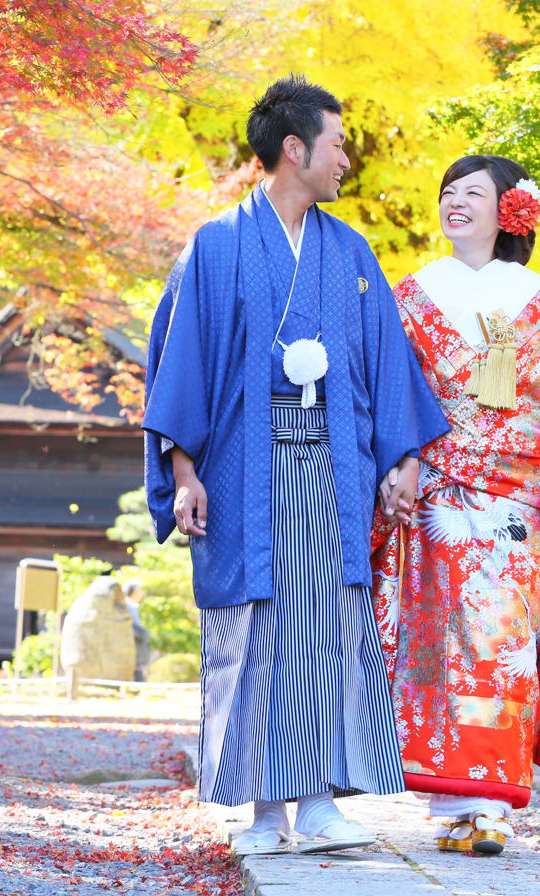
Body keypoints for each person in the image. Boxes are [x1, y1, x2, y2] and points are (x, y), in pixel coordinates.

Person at [143, 75, 448, 856]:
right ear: (293, 148)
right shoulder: (216, 245)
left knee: (322, 625)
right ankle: (260, 813)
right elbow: (181, 364)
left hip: (328, 460)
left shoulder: (347, 250)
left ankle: (318, 804)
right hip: (243, 461)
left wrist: (404, 455)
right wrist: (184, 472)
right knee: (252, 627)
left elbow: (387, 358)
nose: (345, 158)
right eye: (337, 143)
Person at [370, 154, 540, 856]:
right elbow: (390, 389)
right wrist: (402, 461)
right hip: (436, 492)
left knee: (502, 646)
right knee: (436, 645)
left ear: (509, 209)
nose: (455, 203)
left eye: (473, 193)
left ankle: (491, 803)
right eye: (448, 192)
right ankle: (453, 805)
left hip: (518, 501)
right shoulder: (412, 293)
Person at [122, 578, 151, 682]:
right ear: (134, 591)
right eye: (140, 590)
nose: (141, 593)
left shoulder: (132, 605)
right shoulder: (127, 605)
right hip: (131, 641)